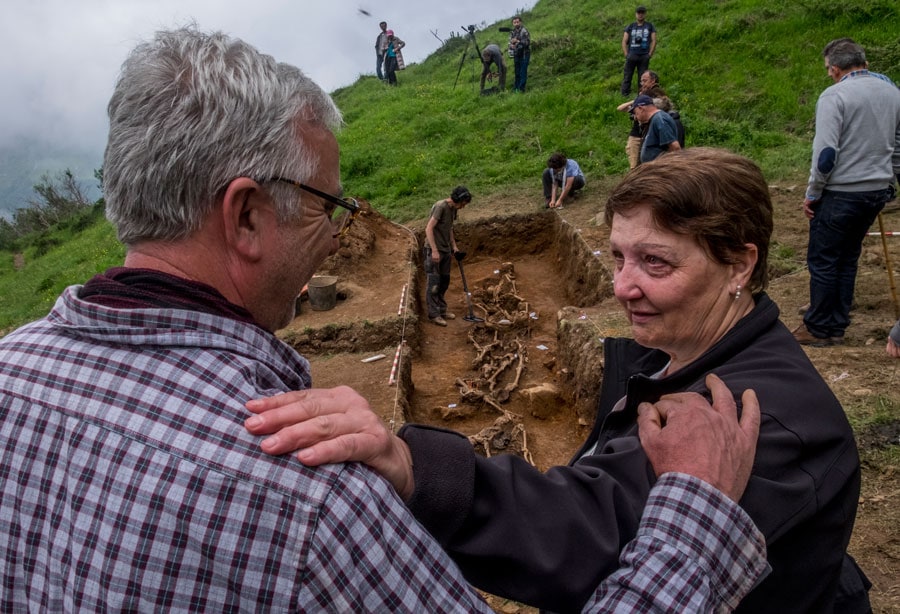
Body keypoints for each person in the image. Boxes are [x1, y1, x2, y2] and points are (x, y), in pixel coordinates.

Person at [0, 27, 499, 612]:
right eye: (325, 207)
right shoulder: (319, 502)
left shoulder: (9, 369)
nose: (337, 238)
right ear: (245, 218)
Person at [246, 148, 870, 613]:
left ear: (740, 263)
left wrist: (414, 465)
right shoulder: (674, 356)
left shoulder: (760, 421)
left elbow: (592, 535)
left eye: (655, 262)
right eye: (619, 255)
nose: (622, 286)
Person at [793, 39, 900, 347]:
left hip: (842, 190)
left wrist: (813, 191)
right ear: (863, 63)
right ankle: (836, 321)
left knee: (825, 258)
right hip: (876, 191)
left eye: (828, 69)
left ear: (836, 68)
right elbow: (899, 144)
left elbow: (825, 153)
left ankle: (818, 326)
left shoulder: (834, 95)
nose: (828, 74)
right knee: (847, 256)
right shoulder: (893, 93)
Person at [424, 186, 471, 326]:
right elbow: (429, 228)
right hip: (433, 250)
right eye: (462, 203)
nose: (463, 207)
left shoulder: (453, 209)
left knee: (444, 281)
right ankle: (434, 314)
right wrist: (434, 250)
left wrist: (454, 246)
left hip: (445, 250)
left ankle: (442, 310)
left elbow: (449, 228)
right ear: (457, 199)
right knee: (434, 284)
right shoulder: (441, 207)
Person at [617, 70, 666, 168]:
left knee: (644, 165)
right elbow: (620, 108)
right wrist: (636, 100)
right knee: (635, 164)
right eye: (641, 81)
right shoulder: (642, 96)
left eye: (645, 81)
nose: (642, 84)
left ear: (653, 81)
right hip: (637, 134)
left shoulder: (657, 94)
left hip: (648, 133)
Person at [631, 94, 681, 163]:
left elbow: (675, 147)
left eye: (635, 112)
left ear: (641, 109)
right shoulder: (654, 120)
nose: (635, 117)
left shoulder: (660, 119)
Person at [621, 5, 657, 96]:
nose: (640, 15)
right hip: (632, 55)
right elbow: (624, 41)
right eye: (638, 13)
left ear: (645, 14)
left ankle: (641, 95)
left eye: (642, 13)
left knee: (643, 78)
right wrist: (626, 54)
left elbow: (654, 40)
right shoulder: (630, 26)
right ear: (636, 14)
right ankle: (624, 95)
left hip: (644, 55)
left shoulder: (650, 26)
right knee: (627, 76)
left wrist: (650, 54)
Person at [508, 16, 531, 93]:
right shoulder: (512, 33)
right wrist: (511, 46)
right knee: (517, 73)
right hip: (516, 55)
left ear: (520, 22)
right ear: (513, 23)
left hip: (524, 54)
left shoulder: (524, 31)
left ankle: (521, 89)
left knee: (522, 72)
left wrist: (518, 41)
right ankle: (516, 88)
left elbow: (527, 43)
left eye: (517, 22)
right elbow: (510, 44)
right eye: (514, 22)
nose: (516, 23)